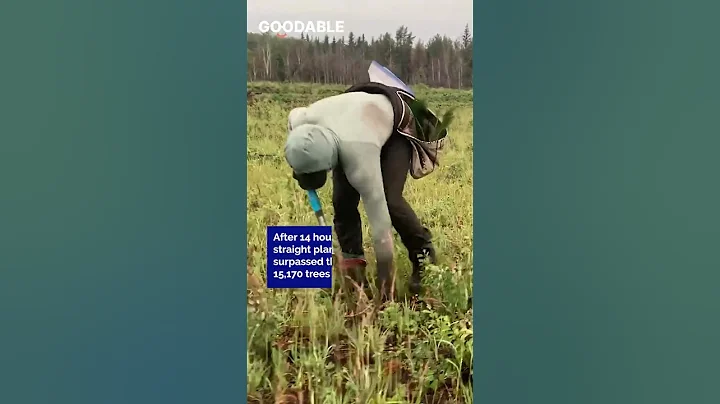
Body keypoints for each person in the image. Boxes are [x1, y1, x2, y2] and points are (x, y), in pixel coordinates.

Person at [284, 83, 445, 299]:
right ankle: (353, 265)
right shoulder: (298, 120)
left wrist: (386, 284)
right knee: (342, 202)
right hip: (347, 122)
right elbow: (298, 139)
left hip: (394, 126)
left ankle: (423, 257)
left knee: (390, 202)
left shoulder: (358, 151)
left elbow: (381, 228)